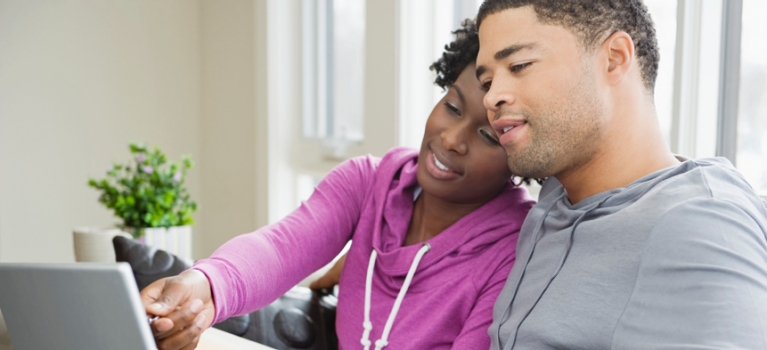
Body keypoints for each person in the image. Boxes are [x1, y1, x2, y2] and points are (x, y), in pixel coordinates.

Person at [140, 20, 537, 350]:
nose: (452, 139)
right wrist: (204, 286)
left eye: (488, 136)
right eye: (451, 107)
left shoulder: (516, 253)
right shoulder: (369, 183)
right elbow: (279, 249)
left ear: (523, 153)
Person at [474, 0, 767, 349]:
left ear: (614, 57)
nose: (492, 97)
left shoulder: (701, 226)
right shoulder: (555, 197)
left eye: (520, 65)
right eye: (487, 81)